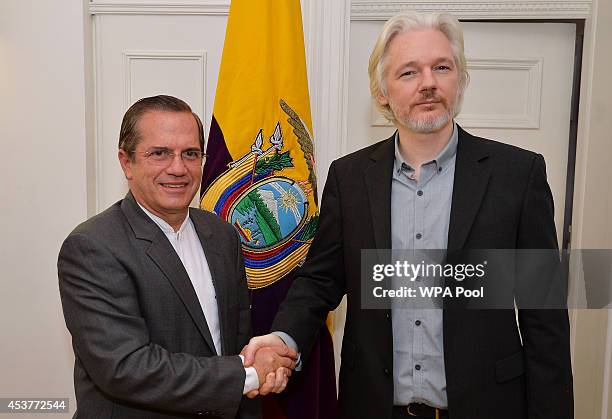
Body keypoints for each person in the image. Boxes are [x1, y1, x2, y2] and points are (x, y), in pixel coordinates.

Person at [242, 11, 573, 419]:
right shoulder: (348, 177)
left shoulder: (518, 175)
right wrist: (282, 337)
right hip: (375, 407)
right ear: (382, 92)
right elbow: (321, 279)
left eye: (442, 67)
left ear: (460, 80)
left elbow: (546, 318)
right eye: (409, 72)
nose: (428, 83)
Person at [58, 95, 296, 419]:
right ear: (126, 162)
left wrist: (257, 373)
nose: (178, 168)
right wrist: (249, 375)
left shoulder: (223, 235)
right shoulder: (92, 247)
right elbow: (127, 367)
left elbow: (235, 343)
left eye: (190, 154)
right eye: (160, 153)